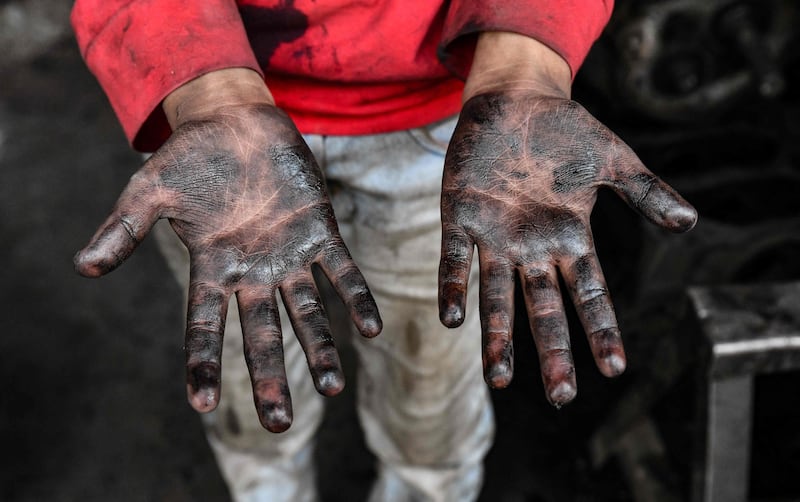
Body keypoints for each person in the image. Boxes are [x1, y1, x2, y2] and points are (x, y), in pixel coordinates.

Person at [70, 1, 697, 500]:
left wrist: (520, 71)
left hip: (448, 121)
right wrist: (210, 96)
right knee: (243, 385)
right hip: (211, 129)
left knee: (432, 399)